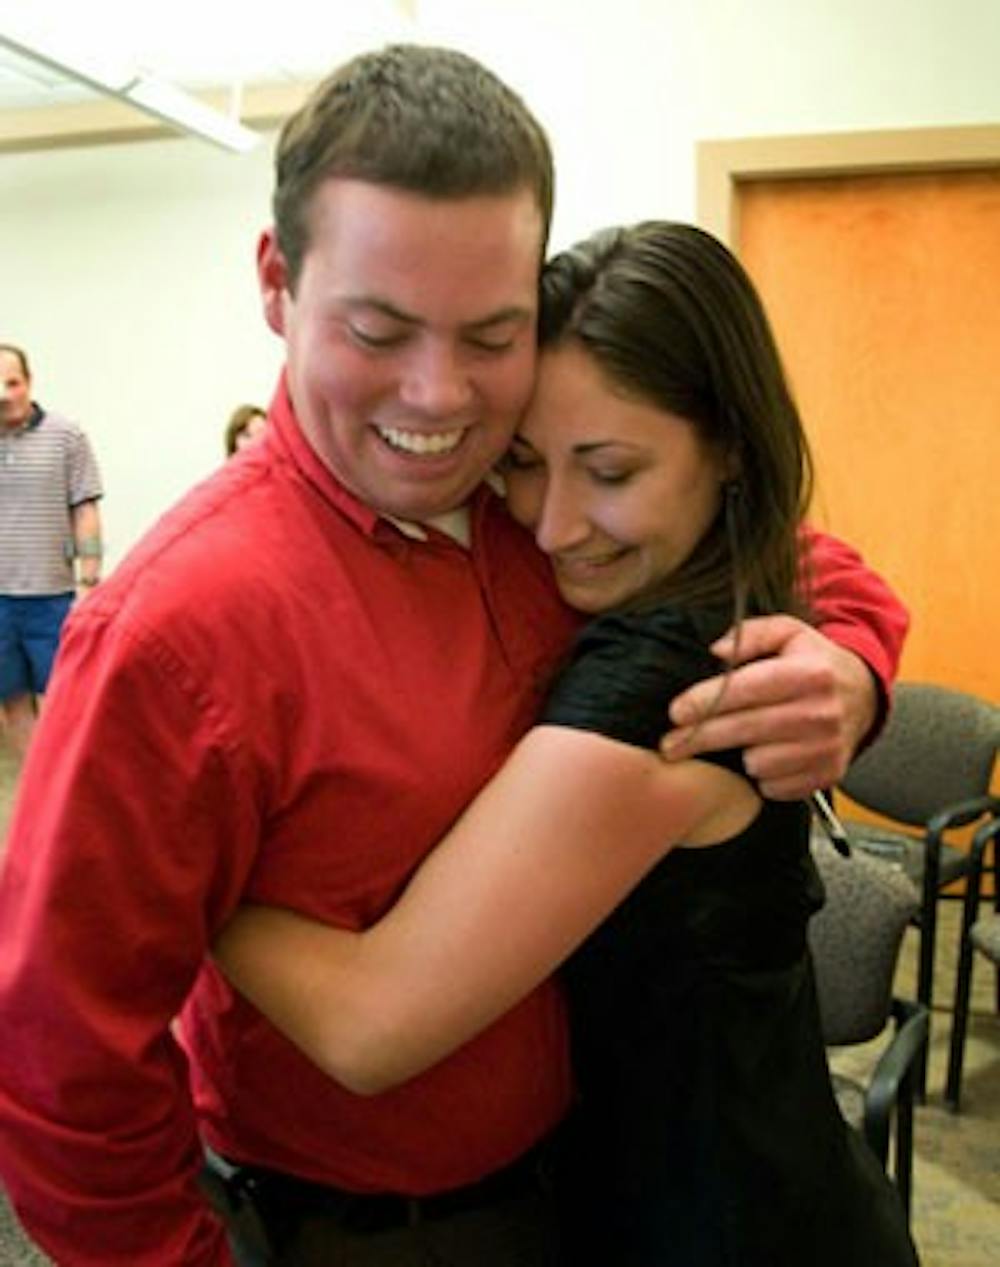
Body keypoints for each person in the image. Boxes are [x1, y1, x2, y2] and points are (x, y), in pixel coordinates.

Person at [0, 46, 907, 1267]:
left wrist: (849, 665)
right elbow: (63, 1059)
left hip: (587, 1194)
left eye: (491, 334)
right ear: (277, 284)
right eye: (378, 328)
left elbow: (779, 555)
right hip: (364, 1227)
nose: (437, 397)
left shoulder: (526, 506)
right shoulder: (174, 635)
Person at [214, 222, 919, 1266]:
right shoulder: (671, 566)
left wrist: (180, 865)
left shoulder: (671, 685)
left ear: (728, 446)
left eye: (610, 470)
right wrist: (861, 656)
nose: (551, 526)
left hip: (726, 1218)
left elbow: (371, 1024)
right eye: (525, 464)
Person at [0, 343, 103, 761]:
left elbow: (86, 509)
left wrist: (89, 582)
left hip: (53, 598)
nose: (4, 393)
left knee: (71, 702)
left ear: (30, 383)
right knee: (13, 700)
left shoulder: (66, 436)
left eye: (13, 382)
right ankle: (35, 794)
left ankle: (73, 793)